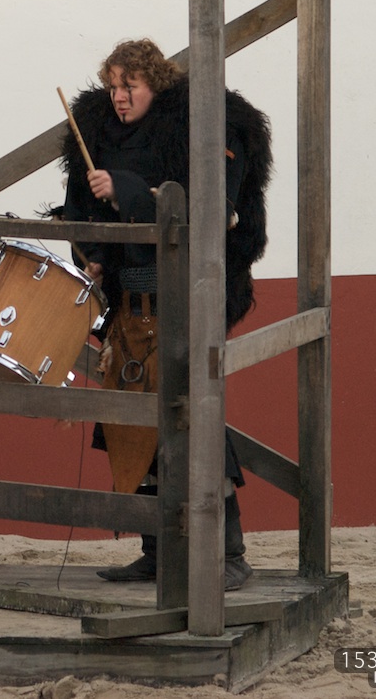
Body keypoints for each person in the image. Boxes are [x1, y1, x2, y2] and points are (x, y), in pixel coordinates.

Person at [55, 38, 271, 591]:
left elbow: (209, 212)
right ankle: (156, 552)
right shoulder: (99, 133)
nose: (119, 97)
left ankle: (230, 555)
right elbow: (82, 213)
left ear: (155, 84)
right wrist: (94, 255)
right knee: (136, 427)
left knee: (193, 421)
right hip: (129, 309)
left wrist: (126, 188)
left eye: (130, 86)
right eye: (113, 86)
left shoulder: (201, 129)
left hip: (187, 302)